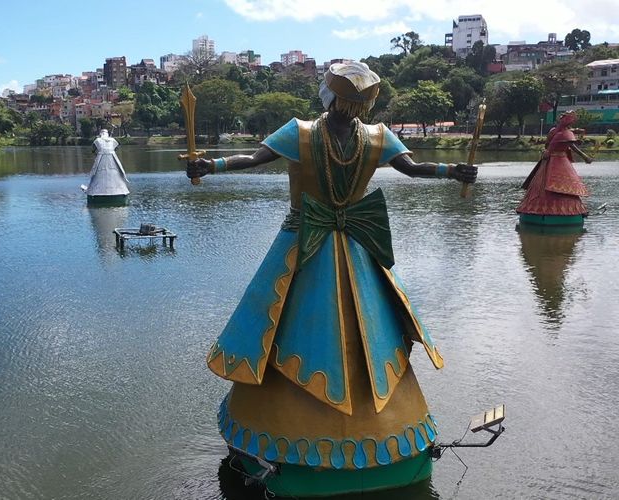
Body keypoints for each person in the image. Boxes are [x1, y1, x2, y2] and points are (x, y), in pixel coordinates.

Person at [187, 63, 477, 494]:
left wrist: (210, 165)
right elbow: (414, 169)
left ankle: (293, 447)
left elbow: (255, 160)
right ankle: (381, 443)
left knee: (285, 325)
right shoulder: (371, 135)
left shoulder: (305, 132)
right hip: (347, 247)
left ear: (329, 95)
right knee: (363, 328)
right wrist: (451, 171)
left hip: (309, 243)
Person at [517, 110, 592, 222]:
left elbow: (549, 144)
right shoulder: (565, 133)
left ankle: (535, 210)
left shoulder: (555, 131)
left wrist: (575, 131)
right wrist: (585, 157)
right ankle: (560, 212)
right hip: (559, 161)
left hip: (549, 160)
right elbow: (572, 146)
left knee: (547, 184)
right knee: (556, 185)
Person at [81, 129, 129, 204]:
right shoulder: (112, 140)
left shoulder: (98, 140)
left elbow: (93, 149)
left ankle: (94, 191)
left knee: (97, 172)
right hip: (112, 157)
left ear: (101, 134)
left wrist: (96, 153)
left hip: (101, 157)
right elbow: (117, 147)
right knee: (114, 172)